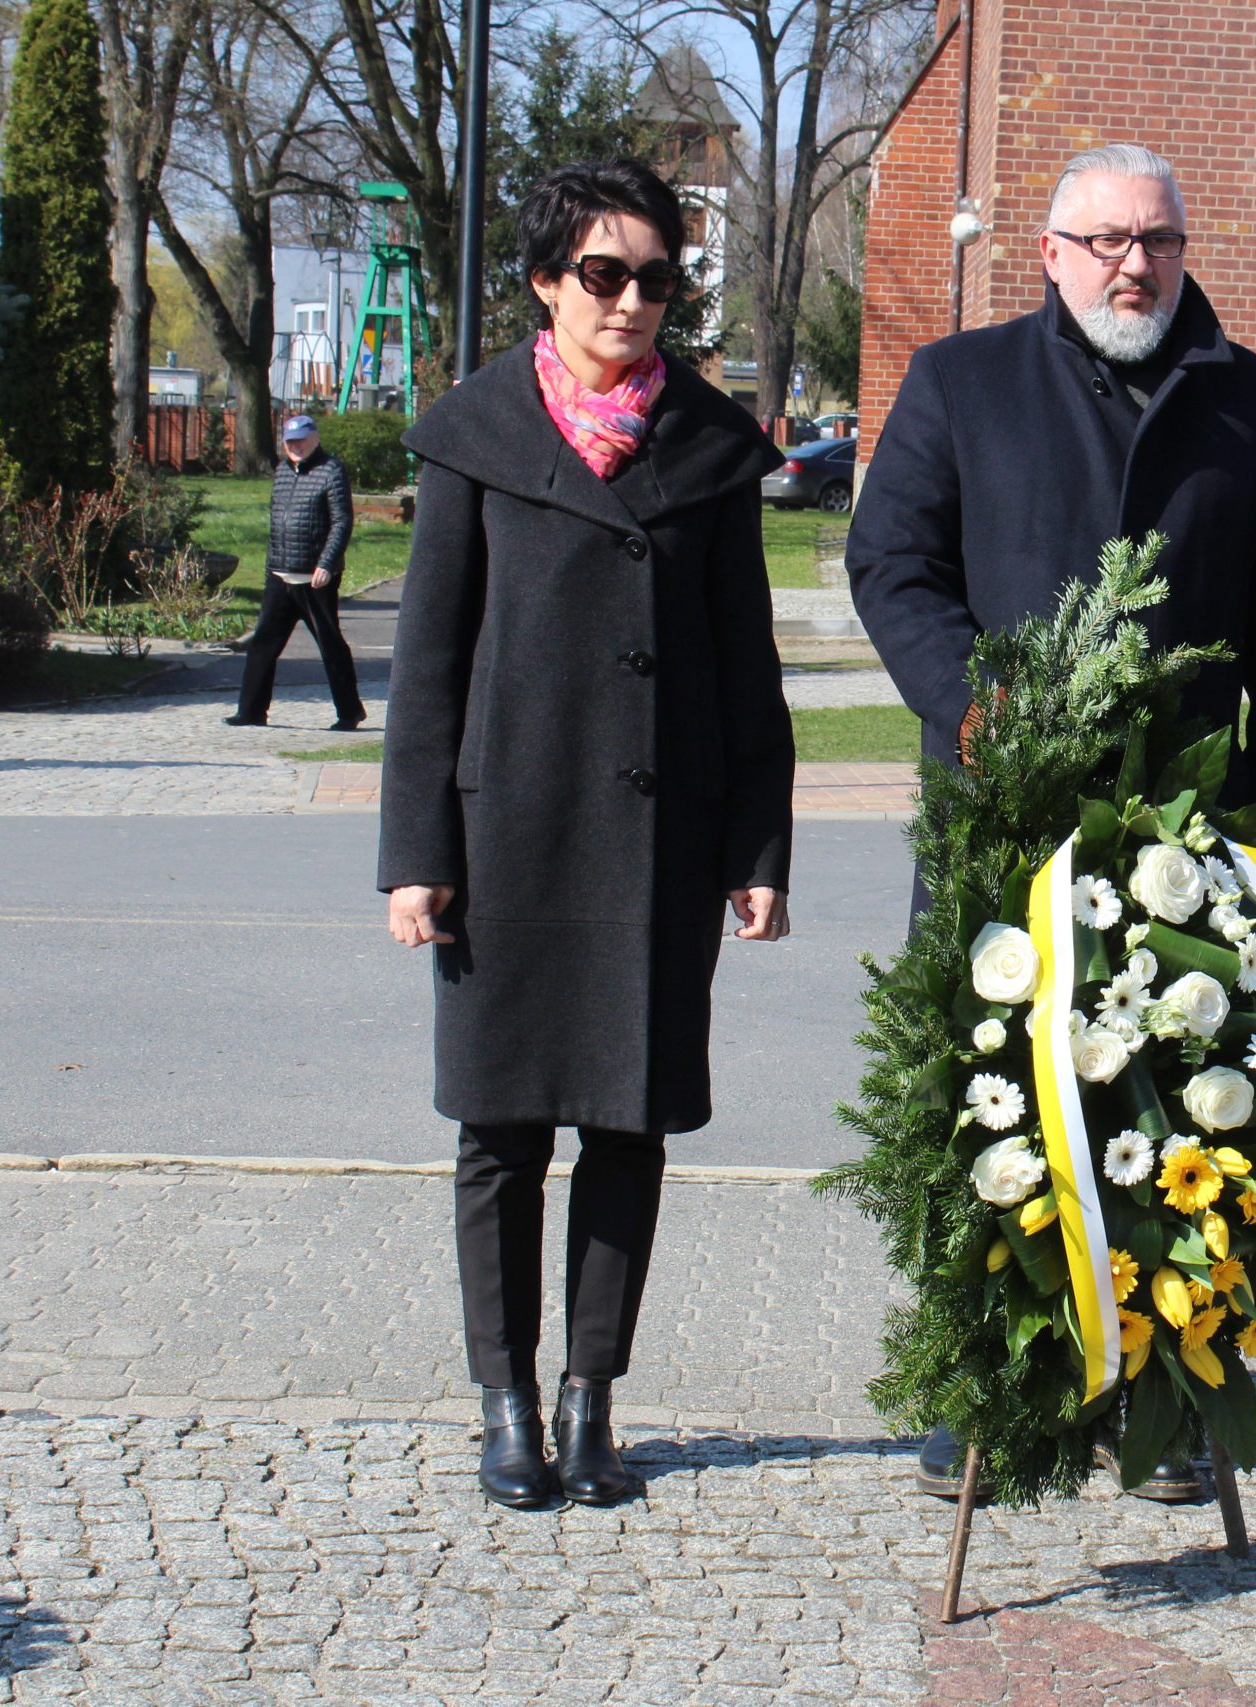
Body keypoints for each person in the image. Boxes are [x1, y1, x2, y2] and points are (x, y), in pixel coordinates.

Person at [846, 141, 1256, 1504]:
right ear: (1050, 253)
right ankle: (981, 1380)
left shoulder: (1249, 405)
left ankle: (1163, 1396)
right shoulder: (960, 383)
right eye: (1110, 239)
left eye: (1161, 239)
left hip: (1182, 829)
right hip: (1001, 816)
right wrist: (970, 702)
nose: (1138, 262)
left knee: (1173, 1105)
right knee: (987, 1104)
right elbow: (888, 560)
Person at [378, 160, 796, 1512]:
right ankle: (504, 1399)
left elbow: (748, 669)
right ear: (549, 282)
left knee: (628, 1126)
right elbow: (429, 667)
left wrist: (759, 848)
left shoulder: (713, 449)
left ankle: (590, 1395)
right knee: (500, 1133)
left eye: (655, 279)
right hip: (505, 843)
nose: (630, 301)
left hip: (662, 841)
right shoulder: (473, 434)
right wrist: (413, 853)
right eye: (603, 274)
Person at [225, 415, 368, 731]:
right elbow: (277, 522)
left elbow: (342, 521)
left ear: (315, 438)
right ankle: (251, 710)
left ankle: (349, 711)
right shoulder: (282, 471)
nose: (296, 446)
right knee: (263, 644)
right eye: (290, 441)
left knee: (330, 644)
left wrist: (327, 564)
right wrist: (270, 568)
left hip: (314, 578)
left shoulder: (331, 470)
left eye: (301, 439)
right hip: (280, 574)